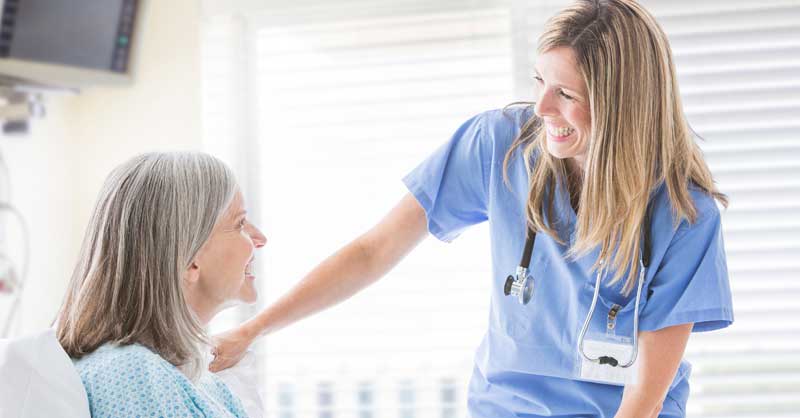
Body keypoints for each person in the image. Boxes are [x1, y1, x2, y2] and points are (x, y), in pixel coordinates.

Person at [210, 0, 733, 416]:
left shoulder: (685, 215)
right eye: (539, 83)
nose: (543, 108)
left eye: (566, 94)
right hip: (507, 408)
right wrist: (251, 330)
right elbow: (374, 251)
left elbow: (645, 397)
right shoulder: (501, 145)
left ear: (624, 104)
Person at [55, 152, 266, 418]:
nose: (260, 239)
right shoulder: (130, 377)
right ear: (190, 259)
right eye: (240, 224)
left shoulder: (201, 384)